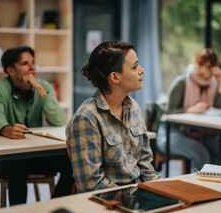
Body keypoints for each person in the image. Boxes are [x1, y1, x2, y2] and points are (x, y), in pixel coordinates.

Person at [66, 41, 160, 193]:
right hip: (109, 203)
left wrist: (160, 193)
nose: (141, 70)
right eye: (135, 67)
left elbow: (145, 164)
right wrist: (135, 200)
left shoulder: (134, 107)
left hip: (137, 194)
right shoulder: (87, 118)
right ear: (115, 77)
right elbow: (91, 184)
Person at [0, 46, 74, 205]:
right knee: (17, 163)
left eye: (33, 62)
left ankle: (55, 210)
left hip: (34, 155)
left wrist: (40, 89)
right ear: (11, 70)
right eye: (25, 63)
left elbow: (59, 119)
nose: (32, 67)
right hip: (3, 158)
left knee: (74, 161)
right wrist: (6, 129)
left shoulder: (44, 87)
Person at [156, 48, 221, 171]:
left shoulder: (212, 84)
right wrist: (189, 111)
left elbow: (219, 109)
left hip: (199, 132)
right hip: (172, 132)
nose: (202, 70)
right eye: (201, 64)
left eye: (208, 67)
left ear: (213, 69)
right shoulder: (181, 82)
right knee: (201, 154)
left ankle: (210, 180)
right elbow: (169, 113)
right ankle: (201, 187)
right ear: (196, 63)